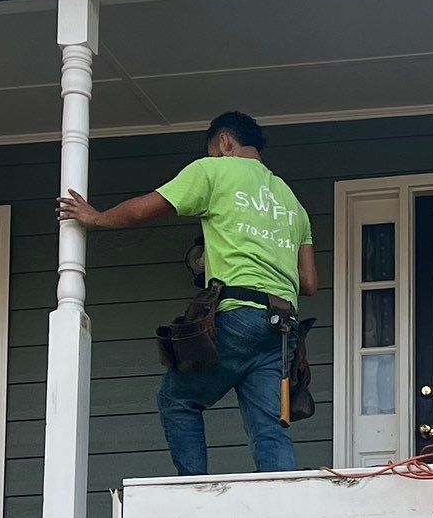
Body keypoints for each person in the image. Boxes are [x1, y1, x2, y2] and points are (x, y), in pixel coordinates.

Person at [60, 111, 317, 476]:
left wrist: (95, 217)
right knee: (270, 429)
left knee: (177, 400)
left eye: (214, 150)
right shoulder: (293, 203)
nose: (213, 156)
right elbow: (308, 282)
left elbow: (142, 210)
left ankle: (194, 493)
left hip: (238, 315)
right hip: (282, 330)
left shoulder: (213, 171)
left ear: (225, 142)